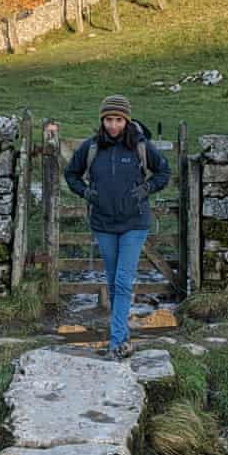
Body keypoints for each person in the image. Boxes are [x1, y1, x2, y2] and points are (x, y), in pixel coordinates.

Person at [64, 94, 171, 361]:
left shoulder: (140, 147)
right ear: (102, 120)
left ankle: (116, 342)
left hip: (135, 223)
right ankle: (122, 338)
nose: (113, 125)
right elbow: (71, 174)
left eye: (119, 120)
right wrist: (86, 193)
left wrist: (146, 189)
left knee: (122, 282)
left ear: (127, 120)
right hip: (103, 223)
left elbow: (164, 173)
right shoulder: (91, 148)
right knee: (113, 283)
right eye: (109, 120)